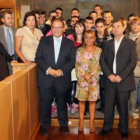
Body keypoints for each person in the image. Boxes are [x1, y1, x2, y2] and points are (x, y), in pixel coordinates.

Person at [35, 18, 76, 135]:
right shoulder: (44, 40)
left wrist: (61, 71)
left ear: (63, 28)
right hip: (46, 78)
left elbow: (72, 60)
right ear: (51, 28)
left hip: (62, 79)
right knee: (46, 105)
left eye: (59, 27)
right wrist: (49, 70)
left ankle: (64, 125)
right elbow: (38, 58)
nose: (57, 30)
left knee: (62, 104)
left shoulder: (69, 43)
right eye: (54, 27)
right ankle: (45, 126)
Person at [99, 19, 137, 139]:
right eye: (113, 26)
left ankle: (124, 129)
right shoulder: (107, 43)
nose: (115, 29)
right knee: (108, 106)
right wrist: (110, 75)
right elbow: (102, 60)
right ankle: (106, 127)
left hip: (123, 80)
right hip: (109, 79)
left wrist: (121, 76)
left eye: (118, 26)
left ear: (124, 28)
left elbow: (132, 62)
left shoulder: (130, 43)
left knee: (123, 107)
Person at [75, 30, 102, 132]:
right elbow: (77, 64)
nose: (88, 40)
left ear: (94, 38)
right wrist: (83, 74)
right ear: (84, 38)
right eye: (86, 37)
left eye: (91, 37)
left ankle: (91, 121)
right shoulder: (79, 50)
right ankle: (81, 120)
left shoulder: (99, 50)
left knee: (92, 101)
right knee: (81, 100)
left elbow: (100, 65)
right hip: (82, 79)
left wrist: (90, 74)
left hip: (94, 79)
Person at [67, 21, 86, 114]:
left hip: (82, 67)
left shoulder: (86, 38)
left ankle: (75, 103)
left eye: (80, 26)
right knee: (69, 86)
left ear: (84, 28)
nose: (78, 28)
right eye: (76, 26)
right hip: (70, 66)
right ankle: (67, 102)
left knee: (79, 86)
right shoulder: (70, 38)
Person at [95, 18, 111, 113]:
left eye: (101, 26)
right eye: (97, 27)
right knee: (98, 86)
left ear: (105, 26)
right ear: (95, 27)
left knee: (105, 87)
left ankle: (106, 105)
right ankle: (101, 104)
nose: (100, 29)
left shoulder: (109, 38)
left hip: (106, 65)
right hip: (95, 65)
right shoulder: (93, 38)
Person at [126, 17, 140, 116]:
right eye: (133, 24)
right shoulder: (125, 37)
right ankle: (124, 109)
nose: (135, 26)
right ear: (129, 25)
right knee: (125, 90)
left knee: (134, 91)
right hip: (125, 67)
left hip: (137, 68)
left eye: (138, 24)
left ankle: (132, 110)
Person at [0, 9, 17, 74]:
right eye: (8, 18)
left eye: (11, 18)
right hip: (3, 60)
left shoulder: (16, 31)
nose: (10, 20)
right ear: (2, 20)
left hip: (15, 59)